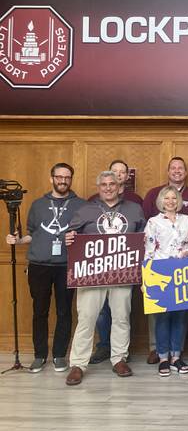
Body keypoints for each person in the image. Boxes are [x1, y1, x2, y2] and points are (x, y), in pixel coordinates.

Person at [63, 171, 146, 386]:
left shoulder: (134, 210)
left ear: (120, 187)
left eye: (113, 184)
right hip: (91, 274)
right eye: (104, 185)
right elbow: (70, 237)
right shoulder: (86, 210)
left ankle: (119, 359)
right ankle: (78, 364)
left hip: (122, 273)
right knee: (87, 318)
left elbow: (144, 238)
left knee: (121, 317)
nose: (108, 188)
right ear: (98, 187)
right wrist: (69, 237)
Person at [5, 163, 84, 373]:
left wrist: (77, 237)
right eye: (59, 177)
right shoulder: (38, 205)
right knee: (39, 311)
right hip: (39, 265)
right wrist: (18, 240)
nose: (63, 181)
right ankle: (40, 355)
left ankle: (59, 355)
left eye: (67, 177)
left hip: (67, 266)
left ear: (71, 179)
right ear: (52, 179)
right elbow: (33, 232)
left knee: (64, 312)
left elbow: (87, 236)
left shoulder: (82, 205)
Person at [142, 156, 188, 364]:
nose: (170, 201)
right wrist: (145, 279)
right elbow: (148, 251)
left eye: (174, 198)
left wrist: (187, 253)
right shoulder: (153, 222)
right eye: (167, 198)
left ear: (179, 201)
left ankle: (177, 356)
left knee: (180, 316)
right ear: (161, 201)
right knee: (163, 317)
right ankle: (162, 358)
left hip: (183, 271)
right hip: (160, 273)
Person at [88, 159, 143, 365]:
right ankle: (104, 346)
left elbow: (140, 233)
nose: (117, 176)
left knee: (122, 312)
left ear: (125, 178)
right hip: (99, 267)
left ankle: (120, 354)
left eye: (122, 173)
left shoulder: (135, 202)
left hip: (123, 266)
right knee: (101, 311)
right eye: (114, 172)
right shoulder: (92, 202)